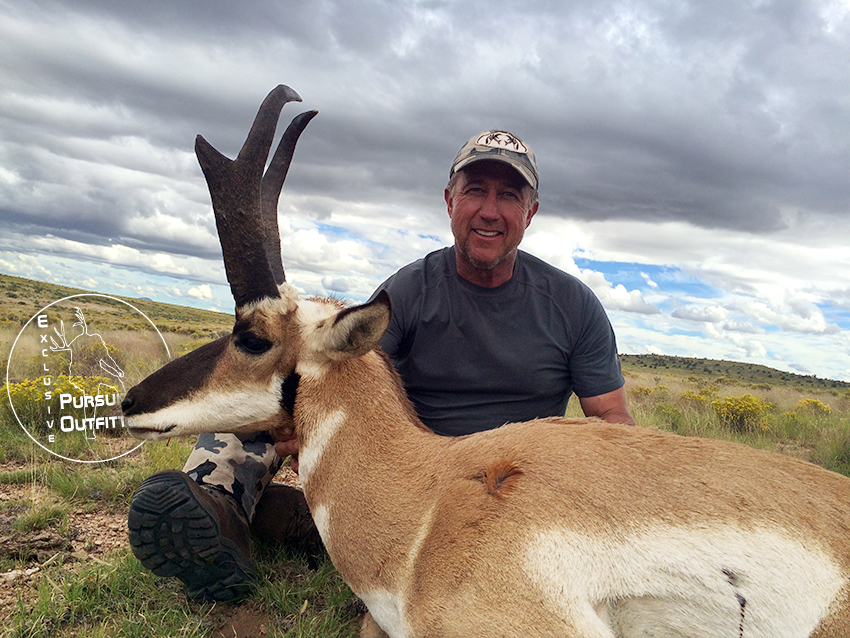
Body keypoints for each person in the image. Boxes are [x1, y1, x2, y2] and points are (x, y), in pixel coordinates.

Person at [127, 129, 635, 603]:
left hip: (510, 489)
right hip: (407, 481)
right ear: (449, 201)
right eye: (475, 189)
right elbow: (342, 378)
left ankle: (303, 524)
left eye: (509, 196)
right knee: (277, 375)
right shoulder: (412, 289)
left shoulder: (573, 305)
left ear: (531, 212)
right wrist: (305, 432)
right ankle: (215, 502)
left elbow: (612, 422)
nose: (489, 210)